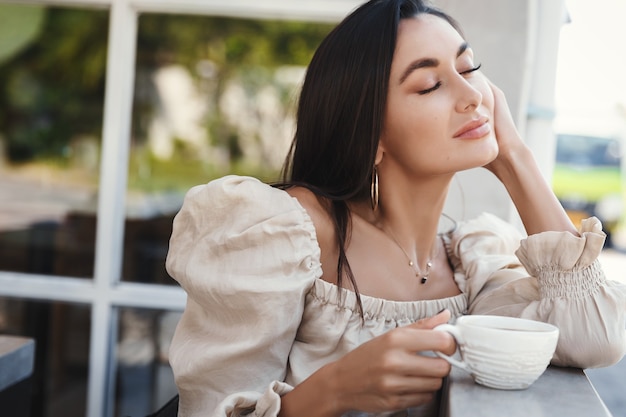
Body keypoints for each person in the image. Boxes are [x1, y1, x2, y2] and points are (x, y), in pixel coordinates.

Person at [165, 0, 626, 416]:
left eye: (469, 68)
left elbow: (596, 336)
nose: (472, 96)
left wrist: (515, 159)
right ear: (371, 133)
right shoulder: (289, 232)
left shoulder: (472, 261)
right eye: (429, 85)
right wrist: (335, 389)